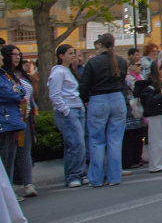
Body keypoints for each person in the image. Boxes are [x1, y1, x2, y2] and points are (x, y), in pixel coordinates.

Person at [79, 33, 128, 187]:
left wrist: (86, 99)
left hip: (98, 99)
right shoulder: (121, 61)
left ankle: (96, 178)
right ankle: (114, 177)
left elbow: (84, 84)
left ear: (100, 45)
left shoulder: (93, 62)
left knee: (97, 140)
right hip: (117, 98)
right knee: (115, 140)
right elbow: (123, 81)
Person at [48, 45, 88, 187]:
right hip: (68, 111)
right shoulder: (58, 72)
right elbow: (54, 94)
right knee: (77, 144)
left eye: (74, 54)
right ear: (61, 56)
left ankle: (78, 173)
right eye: (70, 53)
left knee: (76, 143)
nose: (73, 56)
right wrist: (65, 110)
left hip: (77, 109)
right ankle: (73, 176)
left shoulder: (69, 71)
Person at [1, 46, 37, 197]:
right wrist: (17, 92)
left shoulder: (21, 75)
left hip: (25, 117)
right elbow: (11, 93)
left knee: (24, 151)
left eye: (18, 54)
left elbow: (23, 93)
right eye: (13, 54)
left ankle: (28, 184)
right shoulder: (4, 75)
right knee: (9, 155)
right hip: (10, 119)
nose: (16, 57)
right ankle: (8, 192)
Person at [138, 60, 162, 173]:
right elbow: (149, 100)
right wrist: (161, 96)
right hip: (154, 114)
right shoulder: (151, 85)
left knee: (160, 139)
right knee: (156, 140)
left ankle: (160, 163)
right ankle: (156, 165)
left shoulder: (158, 83)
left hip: (158, 114)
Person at [122, 60, 146, 169]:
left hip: (135, 112)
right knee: (129, 138)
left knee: (137, 136)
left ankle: (136, 158)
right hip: (128, 112)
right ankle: (129, 160)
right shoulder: (124, 81)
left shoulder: (133, 78)